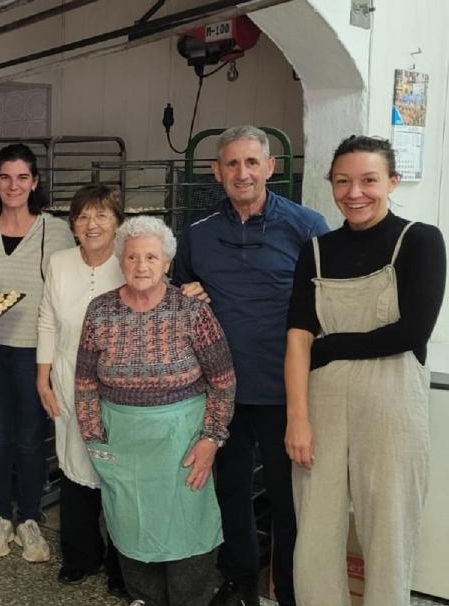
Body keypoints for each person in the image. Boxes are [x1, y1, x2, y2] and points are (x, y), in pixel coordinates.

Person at [284, 136, 445, 606]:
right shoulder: (315, 250)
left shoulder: (419, 240)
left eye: (369, 180)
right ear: (331, 185)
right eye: (343, 181)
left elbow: (412, 330)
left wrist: (330, 345)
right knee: (315, 527)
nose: (355, 192)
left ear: (392, 182)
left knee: (389, 527)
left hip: (392, 404)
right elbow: (297, 337)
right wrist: (297, 418)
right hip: (321, 404)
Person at [172, 125, 328, 606]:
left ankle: (289, 588)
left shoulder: (306, 226)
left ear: (271, 167)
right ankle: (239, 581)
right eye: (232, 164)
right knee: (231, 491)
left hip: (287, 388)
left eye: (252, 162)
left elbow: (329, 303)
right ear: (217, 172)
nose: (243, 173)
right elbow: (179, 296)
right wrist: (184, 297)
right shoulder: (197, 235)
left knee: (288, 499)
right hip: (221, 389)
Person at [76, 215, 236, 606]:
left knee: (186, 535)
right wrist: (96, 443)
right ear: (121, 262)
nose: (141, 266)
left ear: (167, 263)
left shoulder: (192, 312)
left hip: (182, 445)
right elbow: (84, 385)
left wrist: (211, 439)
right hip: (124, 445)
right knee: (132, 529)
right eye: (132, 257)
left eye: (151, 257)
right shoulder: (100, 311)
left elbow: (223, 381)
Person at [0, 144, 74, 563]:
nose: (13, 186)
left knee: (31, 439)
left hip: (35, 351)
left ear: (35, 183)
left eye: (22, 178)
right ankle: (0, 515)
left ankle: (29, 518)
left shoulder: (57, 231)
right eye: (5, 177)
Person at [36, 185, 129, 596]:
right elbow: (47, 322)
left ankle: (122, 565)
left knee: (118, 475)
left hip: (121, 385)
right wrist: (43, 377)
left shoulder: (130, 262)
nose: (92, 225)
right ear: (73, 225)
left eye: (102, 216)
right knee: (75, 466)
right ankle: (80, 556)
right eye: (83, 217)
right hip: (70, 377)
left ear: (117, 223)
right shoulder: (58, 262)